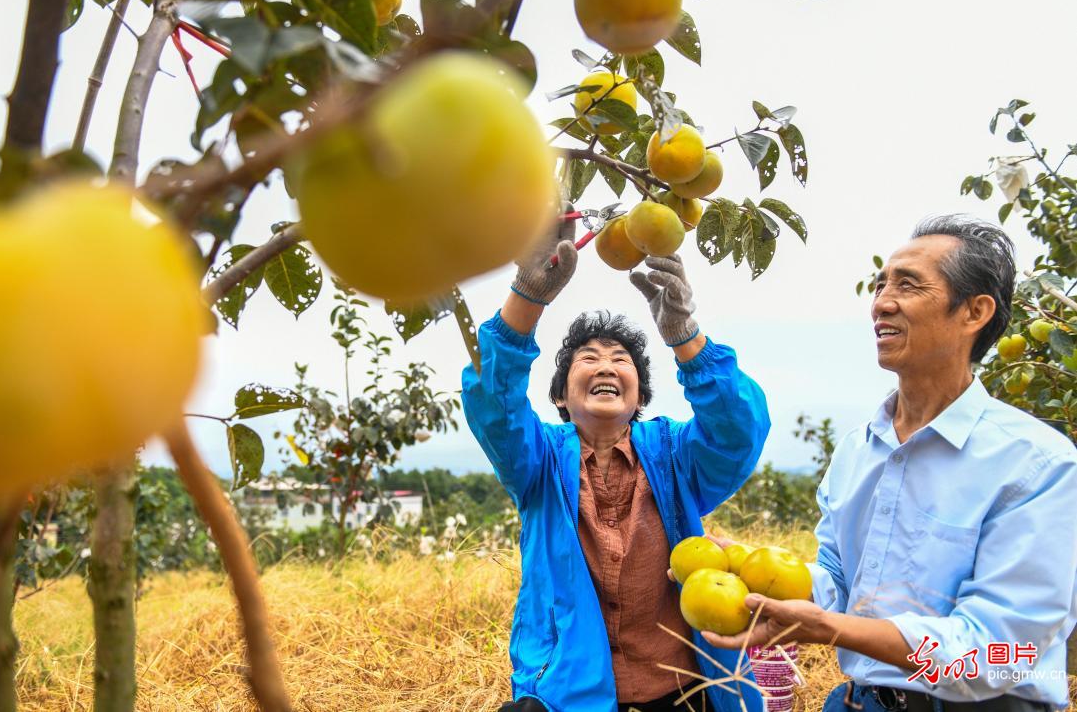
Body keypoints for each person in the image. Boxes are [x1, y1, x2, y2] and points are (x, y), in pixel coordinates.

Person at [701, 216, 1077, 712]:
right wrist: (757, 570)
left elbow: (996, 655)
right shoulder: (859, 449)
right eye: (880, 284)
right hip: (858, 701)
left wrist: (831, 630)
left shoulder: (1035, 463)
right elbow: (838, 580)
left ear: (975, 312)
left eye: (908, 284)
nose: (881, 301)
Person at [461, 217, 771, 712]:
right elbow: (493, 403)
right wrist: (528, 291)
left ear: (640, 395)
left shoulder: (673, 453)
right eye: (588, 358)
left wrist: (685, 335)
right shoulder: (537, 460)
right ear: (561, 395)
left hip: (686, 692)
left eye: (620, 359)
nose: (605, 365)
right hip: (566, 697)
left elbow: (737, 431)